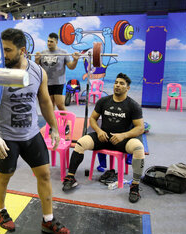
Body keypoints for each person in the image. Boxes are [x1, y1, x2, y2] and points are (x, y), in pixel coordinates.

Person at [0, 28, 70, 234]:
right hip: (6, 137)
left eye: (8, 50)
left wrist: (53, 127)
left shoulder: (37, 71)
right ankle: (0, 210)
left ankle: (48, 220)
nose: (3, 54)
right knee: (4, 177)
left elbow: (44, 101)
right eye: (1, 49)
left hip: (31, 134)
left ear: (22, 50)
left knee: (44, 175)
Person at [62, 73, 145, 203]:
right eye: (116, 82)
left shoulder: (133, 105)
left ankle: (135, 185)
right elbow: (93, 119)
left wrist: (123, 135)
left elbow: (140, 128)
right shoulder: (104, 101)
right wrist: (99, 131)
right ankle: (70, 177)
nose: (117, 85)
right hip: (103, 137)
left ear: (127, 88)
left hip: (122, 140)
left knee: (139, 148)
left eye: (121, 83)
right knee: (81, 142)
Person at [35, 33, 80, 134]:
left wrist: (75, 60)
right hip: (47, 83)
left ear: (56, 42)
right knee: (50, 106)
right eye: (48, 41)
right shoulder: (42, 53)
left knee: (60, 105)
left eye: (51, 41)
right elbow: (37, 68)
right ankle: (53, 125)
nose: (49, 43)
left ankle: (66, 125)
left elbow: (71, 67)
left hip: (59, 83)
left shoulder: (63, 53)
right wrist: (37, 60)